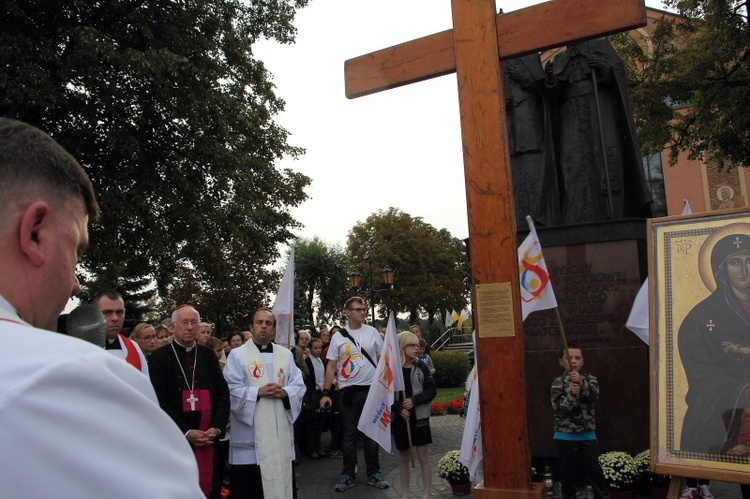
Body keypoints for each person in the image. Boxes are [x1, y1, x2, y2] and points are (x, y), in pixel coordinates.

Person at [0, 117, 202, 497]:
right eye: (75, 249)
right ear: (34, 232)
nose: (76, 283)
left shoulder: (127, 354)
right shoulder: (70, 377)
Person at [546, 37, 652, 224]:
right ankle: (576, 216)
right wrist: (551, 80)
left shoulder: (598, 45)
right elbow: (554, 96)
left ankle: (608, 214)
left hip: (598, 107)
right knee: (571, 162)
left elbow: (616, 73)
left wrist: (603, 68)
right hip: (570, 112)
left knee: (603, 159)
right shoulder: (560, 57)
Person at [678, 232, 750, 460]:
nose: (744, 270)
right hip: (732, 405)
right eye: (735, 262)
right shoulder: (700, 318)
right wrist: (743, 390)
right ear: (721, 270)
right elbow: (702, 375)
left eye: (749, 261)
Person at [149, 304, 230, 498]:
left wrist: (217, 428)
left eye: (194, 322)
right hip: (177, 441)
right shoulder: (160, 358)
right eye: (184, 322)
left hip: (210, 439)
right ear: (173, 327)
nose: (190, 327)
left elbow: (223, 395)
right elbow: (158, 402)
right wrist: (185, 432)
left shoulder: (208, 356)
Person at [223, 308, 306, 499]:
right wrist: (257, 392)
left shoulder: (285, 355)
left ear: (274, 329)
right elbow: (230, 389)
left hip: (280, 436)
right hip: (251, 438)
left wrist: (285, 392)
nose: (263, 327)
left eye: (268, 323)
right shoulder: (237, 355)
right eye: (259, 323)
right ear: (251, 327)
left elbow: (299, 386)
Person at [319, 296, 389, 492]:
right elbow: (331, 365)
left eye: (364, 309)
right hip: (348, 392)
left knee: (371, 434)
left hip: (370, 390)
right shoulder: (338, 337)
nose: (363, 312)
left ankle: (374, 473)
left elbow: (383, 360)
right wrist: (326, 392)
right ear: (348, 312)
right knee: (349, 434)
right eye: (358, 309)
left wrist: (385, 387)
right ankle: (348, 474)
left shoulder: (373, 333)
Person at [551, 344, 609, 499]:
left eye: (577, 358)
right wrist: (571, 394)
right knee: (567, 474)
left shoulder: (590, 379)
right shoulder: (558, 383)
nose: (574, 361)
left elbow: (594, 396)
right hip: (565, 435)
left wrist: (582, 384)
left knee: (595, 472)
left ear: (582, 361)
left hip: (587, 435)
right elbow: (560, 410)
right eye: (569, 358)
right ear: (561, 362)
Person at [392, 331, 437, 499]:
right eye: (412, 346)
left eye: (417, 346)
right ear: (402, 347)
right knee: (403, 457)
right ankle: (405, 494)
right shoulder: (393, 370)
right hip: (401, 420)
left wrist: (415, 400)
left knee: (423, 456)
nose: (416, 349)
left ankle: (426, 494)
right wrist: (398, 409)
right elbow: (387, 395)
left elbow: (431, 390)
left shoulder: (421, 367)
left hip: (420, 418)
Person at [94, 289, 149, 374]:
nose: (115, 318)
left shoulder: (133, 348)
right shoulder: (81, 348)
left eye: (119, 312)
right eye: (107, 312)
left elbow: (144, 384)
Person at [304, 337, 327, 459]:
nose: (318, 350)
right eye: (315, 348)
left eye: (320, 348)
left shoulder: (322, 361)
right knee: (312, 423)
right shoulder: (307, 361)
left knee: (320, 422)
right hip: (312, 393)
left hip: (322, 393)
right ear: (310, 348)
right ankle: (311, 448)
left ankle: (318, 446)